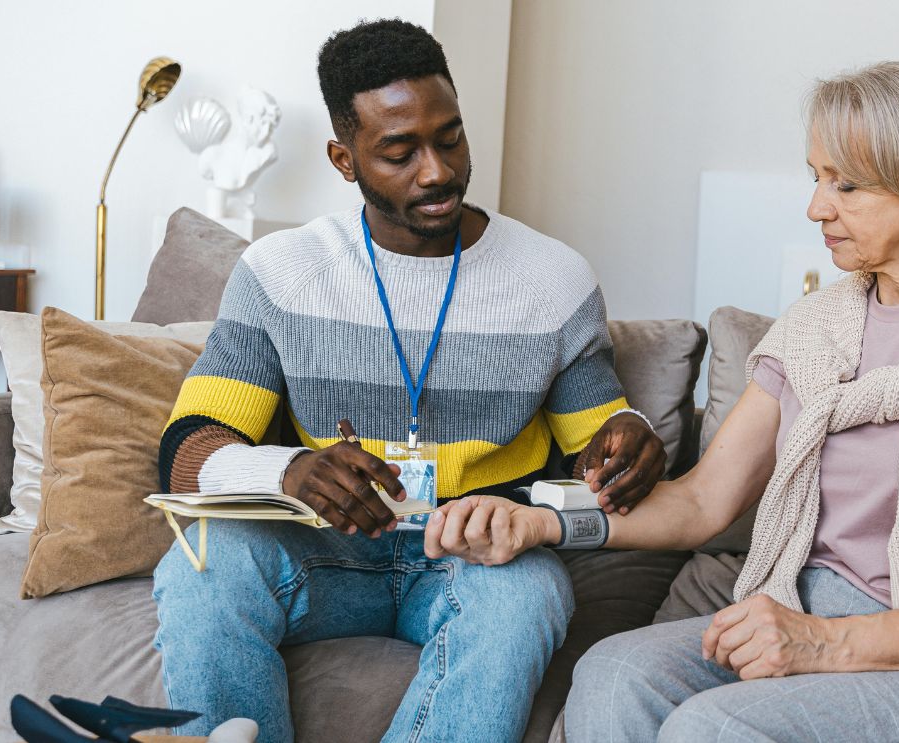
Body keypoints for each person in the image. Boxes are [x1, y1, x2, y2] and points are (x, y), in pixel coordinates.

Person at [423, 61, 899, 741]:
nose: (816, 207)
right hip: (807, 606)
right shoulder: (815, 328)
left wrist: (822, 643)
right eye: (816, 177)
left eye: (846, 185)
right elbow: (702, 501)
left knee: (714, 727)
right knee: (610, 671)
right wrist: (536, 520)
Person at [151, 19, 665, 743]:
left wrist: (631, 437)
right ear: (343, 157)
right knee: (203, 561)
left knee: (530, 591)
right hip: (324, 549)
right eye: (399, 151)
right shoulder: (280, 272)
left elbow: (599, 449)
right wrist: (293, 470)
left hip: (473, 554)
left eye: (449, 137)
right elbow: (185, 449)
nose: (436, 171)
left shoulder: (552, 279)